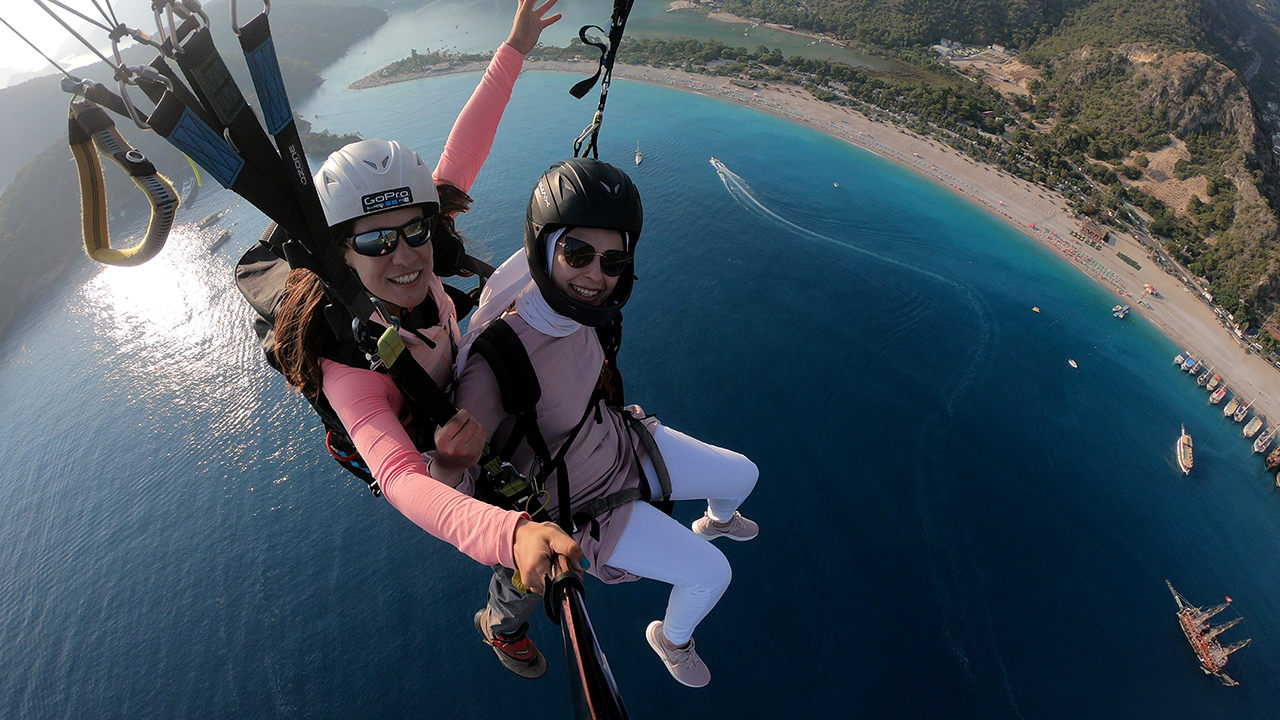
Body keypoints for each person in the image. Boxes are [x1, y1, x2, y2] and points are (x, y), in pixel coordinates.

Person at [269, 0, 588, 667]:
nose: (406, 256)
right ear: (342, 257)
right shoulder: (348, 367)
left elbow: (462, 153)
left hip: (457, 386)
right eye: (375, 243)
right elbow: (400, 480)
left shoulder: (425, 246)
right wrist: (505, 532)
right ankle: (502, 625)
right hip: (428, 444)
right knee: (535, 516)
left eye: (415, 230)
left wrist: (514, 48)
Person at [450, 157, 759, 688]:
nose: (596, 274)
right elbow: (462, 495)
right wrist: (451, 467)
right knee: (711, 574)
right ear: (545, 249)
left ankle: (717, 521)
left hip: (616, 441)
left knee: (744, 474)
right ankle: (671, 640)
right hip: (576, 503)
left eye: (613, 260)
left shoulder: (582, 316)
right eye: (577, 254)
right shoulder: (499, 359)